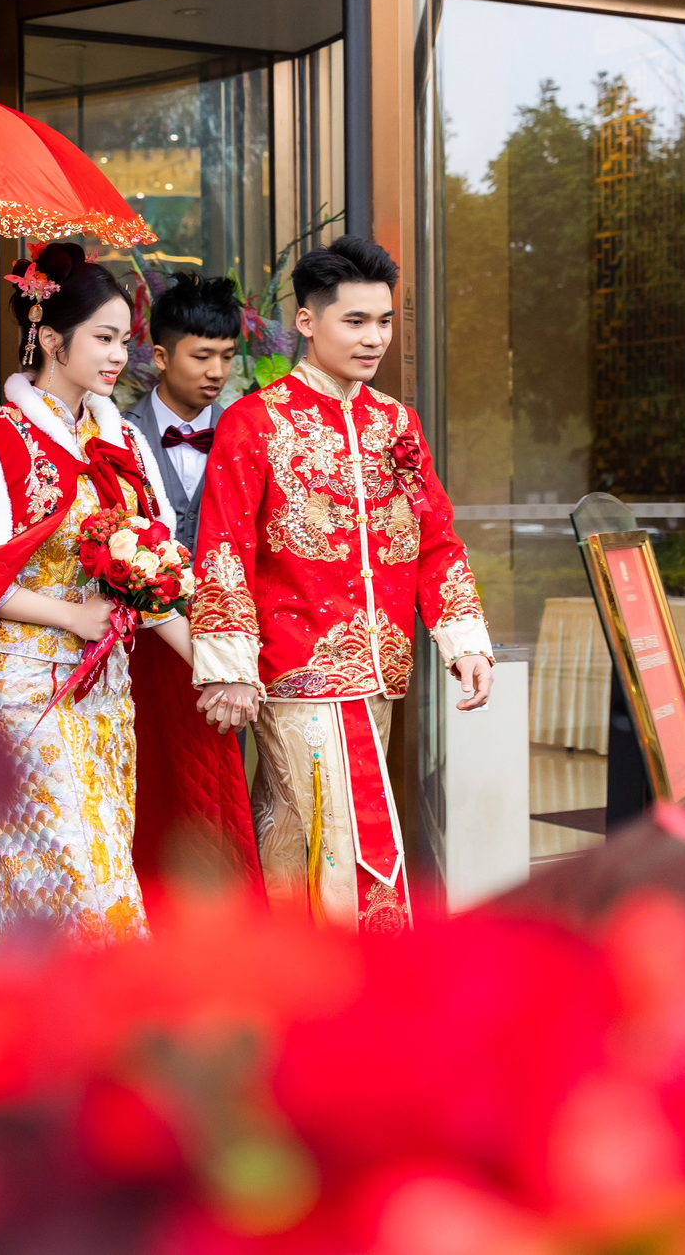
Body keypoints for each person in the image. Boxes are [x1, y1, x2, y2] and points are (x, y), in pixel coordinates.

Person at [188, 236, 494, 933]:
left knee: (295, 832)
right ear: (307, 321)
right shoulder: (255, 423)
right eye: (354, 321)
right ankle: (370, 979)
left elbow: (435, 538)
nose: (373, 338)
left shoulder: (396, 424)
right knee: (354, 839)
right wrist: (228, 667)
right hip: (296, 670)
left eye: (383, 320)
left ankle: (281, 975)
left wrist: (464, 641)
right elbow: (223, 546)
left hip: (378, 673)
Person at [0, 242, 197, 946]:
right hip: (24, 691)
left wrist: (211, 662)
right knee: (84, 878)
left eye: (124, 340)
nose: (118, 356)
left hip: (106, 693)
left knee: (98, 861)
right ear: (50, 339)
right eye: (103, 338)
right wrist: (71, 615)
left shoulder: (123, 445)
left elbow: (149, 583)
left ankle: (52, 1016)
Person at [124, 273, 240, 554]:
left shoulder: (242, 435)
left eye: (227, 357)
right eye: (202, 357)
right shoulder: (121, 434)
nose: (217, 372)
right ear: (161, 357)